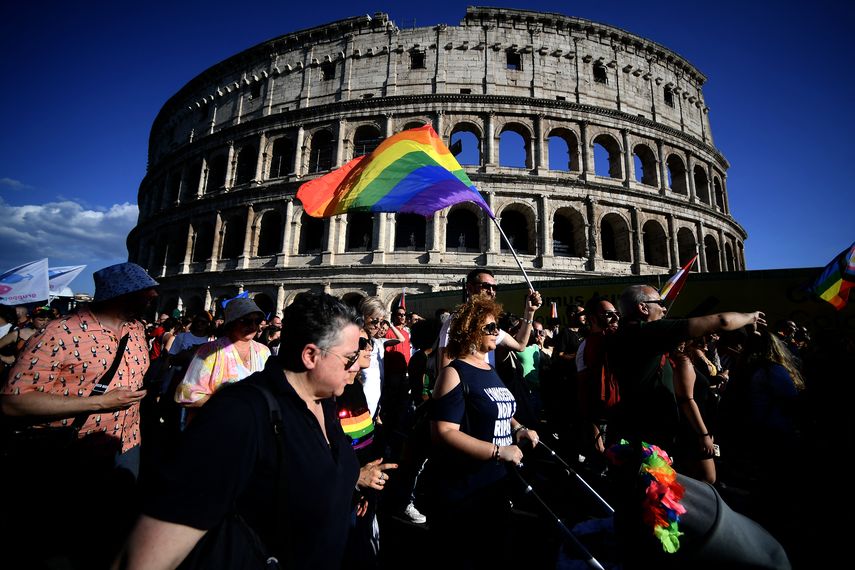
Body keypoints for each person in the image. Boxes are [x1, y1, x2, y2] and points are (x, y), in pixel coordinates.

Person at [117, 292, 362, 569]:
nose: (357, 366)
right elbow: (143, 559)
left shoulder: (324, 401)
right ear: (310, 356)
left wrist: (355, 477)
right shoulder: (239, 415)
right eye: (350, 358)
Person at [0, 262, 158, 568]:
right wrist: (99, 403)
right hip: (69, 451)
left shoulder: (137, 330)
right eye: (145, 291)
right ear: (120, 294)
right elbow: (12, 402)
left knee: (111, 532)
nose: (153, 295)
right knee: (59, 540)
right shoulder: (59, 332)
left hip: (126, 445)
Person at [429, 295, 539, 569]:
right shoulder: (454, 372)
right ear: (470, 331)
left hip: (497, 483)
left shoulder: (489, 368)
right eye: (490, 328)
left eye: (497, 327)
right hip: (467, 487)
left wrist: (519, 427)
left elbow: (499, 408)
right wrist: (498, 451)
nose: (496, 332)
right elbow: (443, 431)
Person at [608, 284, 765, 453]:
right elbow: (722, 321)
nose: (664, 308)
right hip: (649, 433)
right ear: (643, 307)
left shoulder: (621, 334)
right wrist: (751, 317)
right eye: (660, 303)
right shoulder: (646, 332)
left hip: (633, 425)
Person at [339, 328, 398, 568]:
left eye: (370, 343)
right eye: (362, 343)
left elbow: (365, 443)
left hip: (363, 491)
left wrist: (367, 492)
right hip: (346, 491)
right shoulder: (335, 392)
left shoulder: (356, 387)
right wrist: (355, 483)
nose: (369, 348)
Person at [174, 297, 271, 409]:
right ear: (232, 322)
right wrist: (231, 402)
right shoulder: (209, 351)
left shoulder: (264, 352)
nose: (253, 326)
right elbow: (186, 396)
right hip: (217, 422)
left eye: (257, 321)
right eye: (246, 321)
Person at [437, 268, 543, 369]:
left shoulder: (491, 326)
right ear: (470, 288)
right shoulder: (456, 321)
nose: (492, 291)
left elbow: (520, 345)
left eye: (495, 288)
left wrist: (529, 312)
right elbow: (445, 368)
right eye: (486, 286)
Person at [575, 297, 620, 460]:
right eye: (609, 314)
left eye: (617, 313)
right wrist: (594, 431)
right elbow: (582, 388)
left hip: (620, 415)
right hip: (600, 420)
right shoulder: (586, 346)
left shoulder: (618, 340)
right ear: (593, 319)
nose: (616, 318)